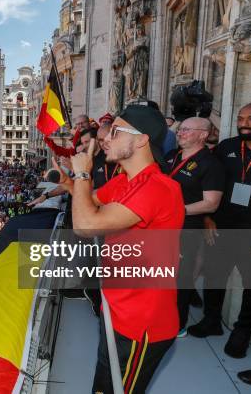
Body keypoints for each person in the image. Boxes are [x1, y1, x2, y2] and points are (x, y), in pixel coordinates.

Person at [69, 104, 185, 393]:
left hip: (140, 325)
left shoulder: (159, 187)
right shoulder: (125, 181)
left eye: (117, 132)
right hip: (118, 309)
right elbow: (89, 201)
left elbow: (85, 225)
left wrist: (83, 174)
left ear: (143, 139)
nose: (106, 137)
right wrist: (69, 180)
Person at [187, 101, 251, 360]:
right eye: (241, 118)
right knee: (214, 275)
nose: (244, 123)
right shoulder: (227, 147)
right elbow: (211, 183)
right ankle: (211, 320)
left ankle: (241, 333)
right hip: (222, 227)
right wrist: (209, 218)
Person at [165, 117, 225, 337]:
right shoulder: (171, 156)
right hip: (162, 227)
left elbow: (211, 203)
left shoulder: (211, 164)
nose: (180, 133)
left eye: (186, 130)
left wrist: (176, 211)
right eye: (180, 129)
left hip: (185, 229)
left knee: (180, 277)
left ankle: (177, 324)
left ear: (203, 134)